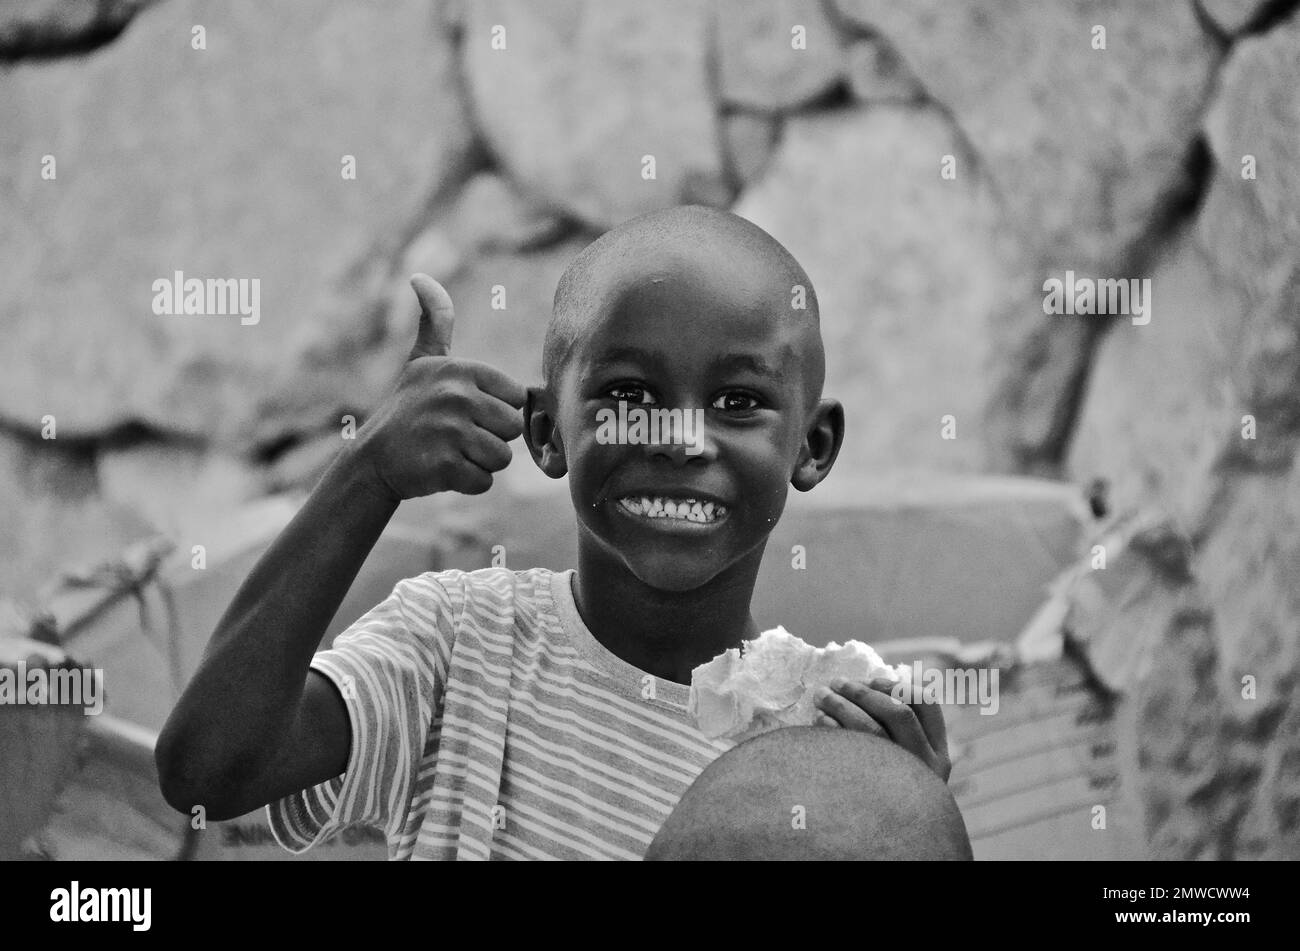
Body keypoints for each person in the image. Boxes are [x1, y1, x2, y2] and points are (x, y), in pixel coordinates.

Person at [156, 205, 954, 860]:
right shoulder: (459, 643)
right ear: (546, 432)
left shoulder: (835, 735)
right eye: (629, 392)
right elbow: (208, 770)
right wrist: (368, 473)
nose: (679, 437)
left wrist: (905, 815)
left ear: (812, 445)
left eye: (737, 402)